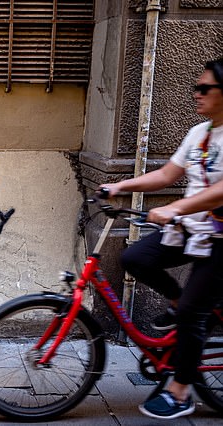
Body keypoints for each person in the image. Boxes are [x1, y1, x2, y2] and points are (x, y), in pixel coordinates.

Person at [100, 57, 223, 419]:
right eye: (196, 87)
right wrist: (120, 186)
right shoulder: (200, 133)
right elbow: (168, 174)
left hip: (219, 237)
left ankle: (181, 392)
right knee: (136, 258)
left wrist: (175, 209)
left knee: (191, 315)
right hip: (194, 230)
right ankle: (179, 303)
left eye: (205, 89)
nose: (196, 94)